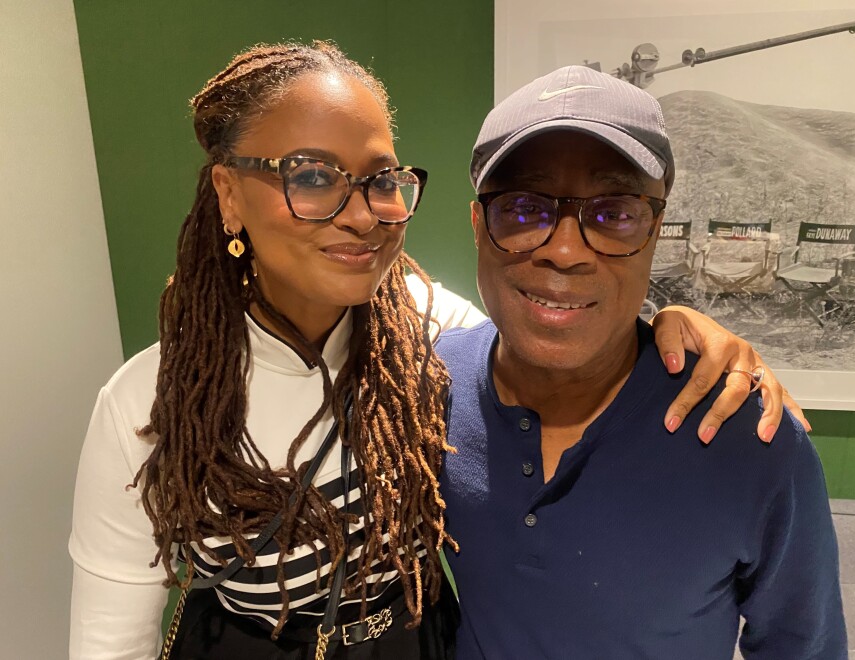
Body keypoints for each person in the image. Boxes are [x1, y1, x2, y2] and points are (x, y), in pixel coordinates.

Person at [69, 42, 804, 660]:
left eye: (381, 180)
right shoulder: (152, 401)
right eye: (312, 176)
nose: (361, 214)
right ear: (229, 195)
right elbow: (111, 638)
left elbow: (557, 315)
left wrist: (683, 323)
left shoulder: (425, 335)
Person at [436, 65, 846, 659]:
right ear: (479, 226)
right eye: (524, 209)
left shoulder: (752, 440)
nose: (566, 251)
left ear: (655, 233)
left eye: (614, 213)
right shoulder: (424, 395)